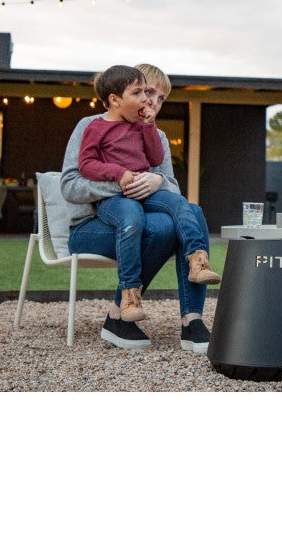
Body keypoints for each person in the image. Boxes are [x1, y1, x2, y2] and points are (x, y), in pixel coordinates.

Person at [60, 63, 215, 354]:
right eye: (148, 93)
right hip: (93, 226)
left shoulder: (154, 134)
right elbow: (70, 185)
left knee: (192, 212)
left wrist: (157, 179)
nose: (152, 103)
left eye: (161, 99)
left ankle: (192, 319)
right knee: (161, 227)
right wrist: (122, 183)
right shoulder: (91, 125)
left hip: (141, 219)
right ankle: (118, 315)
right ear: (127, 94)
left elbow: (171, 189)